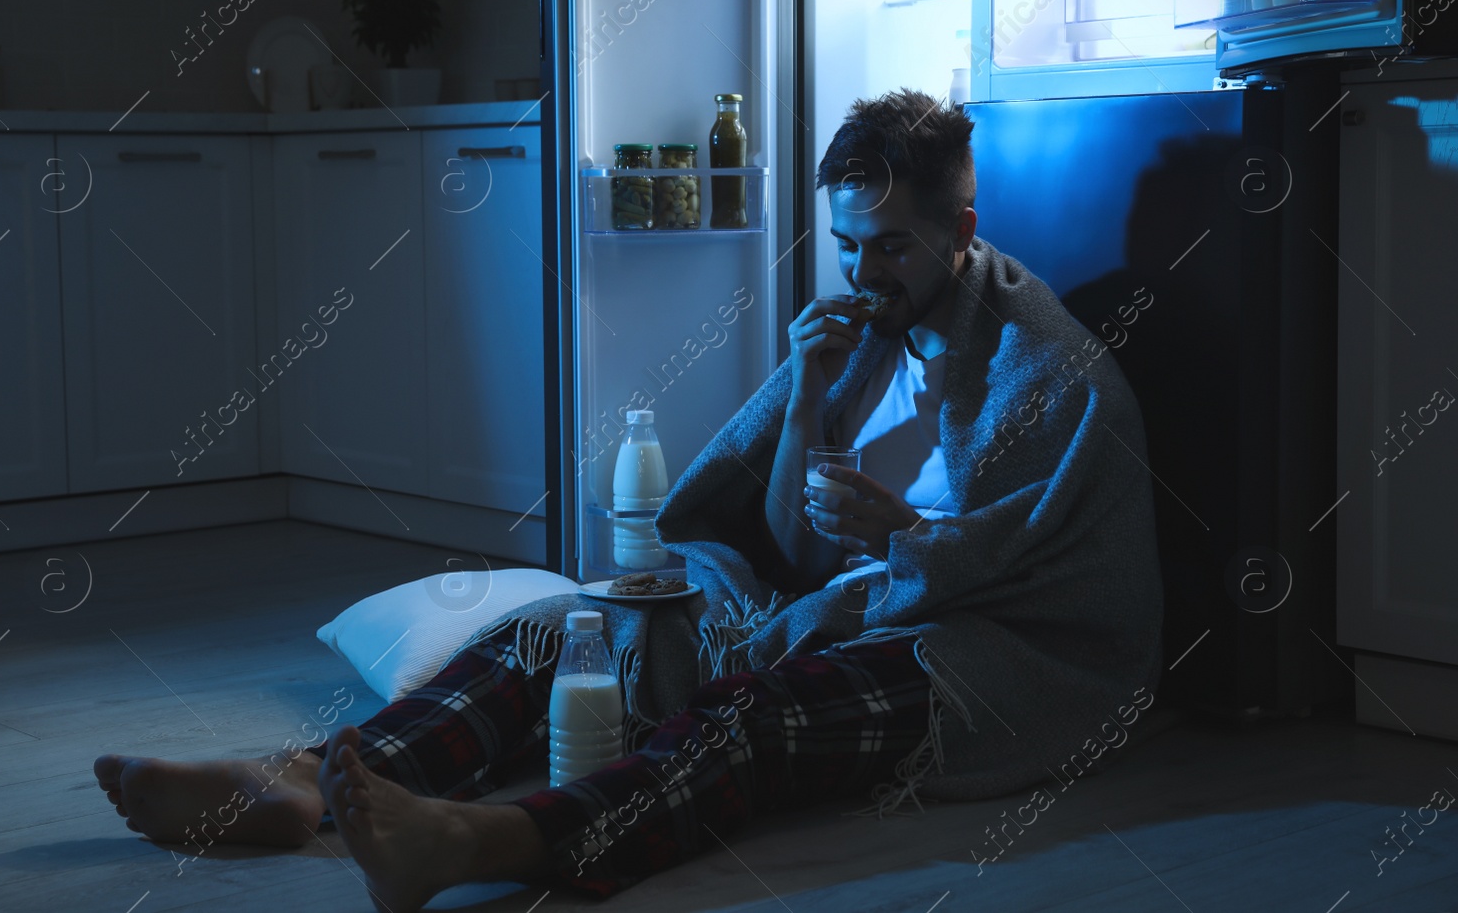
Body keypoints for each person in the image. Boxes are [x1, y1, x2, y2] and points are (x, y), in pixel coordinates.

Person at [96, 90, 1163, 912]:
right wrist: (800, 401)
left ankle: (479, 843)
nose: (863, 271)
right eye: (845, 243)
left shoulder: (1050, 370)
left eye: (891, 244)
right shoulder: (853, 341)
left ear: (962, 224)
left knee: (757, 718)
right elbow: (787, 548)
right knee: (575, 627)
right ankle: (295, 778)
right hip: (831, 608)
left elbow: (1057, 577)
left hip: (977, 648)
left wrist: (906, 540)